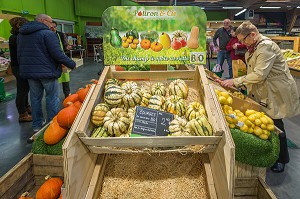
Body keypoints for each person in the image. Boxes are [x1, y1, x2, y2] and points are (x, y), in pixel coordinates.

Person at [219, 21, 300, 173]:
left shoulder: (266, 47)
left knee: (275, 122)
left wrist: (235, 81)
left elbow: (260, 74)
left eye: (243, 39)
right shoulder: (253, 47)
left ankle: (282, 158)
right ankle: (271, 154)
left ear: (253, 35)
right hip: (265, 90)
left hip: (276, 91)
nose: (241, 43)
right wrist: (241, 85)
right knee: (266, 121)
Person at [17, 14, 76, 133]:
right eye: (50, 22)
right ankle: (52, 124)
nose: (51, 24)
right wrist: (71, 63)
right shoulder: (48, 34)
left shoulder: (21, 35)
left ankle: (37, 125)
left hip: (30, 73)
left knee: (35, 98)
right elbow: (57, 54)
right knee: (52, 98)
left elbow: (20, 54)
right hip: (47, 72)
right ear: (43, 21)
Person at [8, 17, 32, 123]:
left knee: (25, 89)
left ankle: (26, 107)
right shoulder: (15, 38)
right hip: (19, 67)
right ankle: (22, 114)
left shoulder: (17, 36)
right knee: (22, 91)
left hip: (20, 66)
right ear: (19, 26)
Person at [51, 21, 72, 98]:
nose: (53, 29)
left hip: (62, 58)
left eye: (54, 27)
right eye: (51, 27)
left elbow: (66, 44)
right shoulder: (47, 35)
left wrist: (68, 47)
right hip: (52, 60)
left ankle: (67, 94)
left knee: (65, 77)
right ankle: (54, 96)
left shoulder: (61, 34)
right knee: (54, 79)